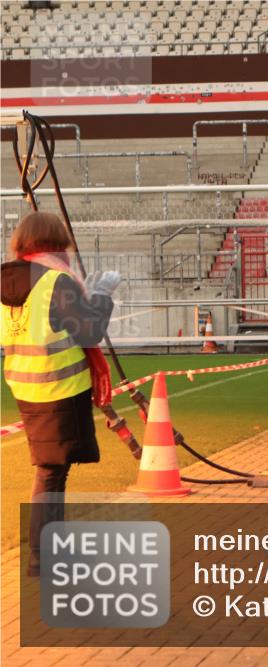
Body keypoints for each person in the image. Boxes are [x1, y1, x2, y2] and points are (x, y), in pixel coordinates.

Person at [1, 211, 120, 577]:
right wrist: (101, 296)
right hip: (61, 387)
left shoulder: (8, 279)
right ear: (56, 241)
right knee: (51, 473)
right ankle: (43, 557)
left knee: (52, 470)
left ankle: (50, 553)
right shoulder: (55, 279)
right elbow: (90, 331)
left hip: (27, 386)